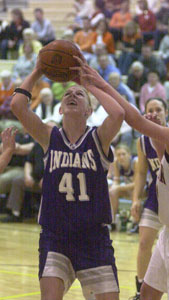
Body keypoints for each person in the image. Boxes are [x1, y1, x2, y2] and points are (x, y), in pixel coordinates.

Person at [80, 64, 169, 299]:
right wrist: (156, 136)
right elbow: (168, 170)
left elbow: (135, 120)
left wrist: (100, 84)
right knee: (147, 294)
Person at [10, 55, 125, 299]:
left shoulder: (98, 138)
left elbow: (118, 114)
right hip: (56, 235)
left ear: (89, 111)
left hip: (93, 237)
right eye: (67, 94)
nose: (72, 95)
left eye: (79, 94)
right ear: (60, 109)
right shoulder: (48, 136)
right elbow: (18, 106)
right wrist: (38, 70)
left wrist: (90, 83)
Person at [129, 97, 167, 300]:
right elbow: (141, 173)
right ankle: (140, 289)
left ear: (166, 112)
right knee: (144, 242)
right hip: (155, 195)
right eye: (150, 109)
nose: (154, 113)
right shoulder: (142, 140)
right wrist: (136, 199)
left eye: (158, 109)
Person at [109, 144, 137, 230]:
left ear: (129, 154)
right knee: (112, 192)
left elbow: (137, 184)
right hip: (128, 189)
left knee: (134, 192)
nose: (121, 157)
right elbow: (116, 180)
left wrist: (118, 188)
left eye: (123, 154)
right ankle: (112, 221)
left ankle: (135, 222)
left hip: (141, 190)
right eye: (118, 155)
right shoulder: (116, 163)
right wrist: (113, 187)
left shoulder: (136, 162)